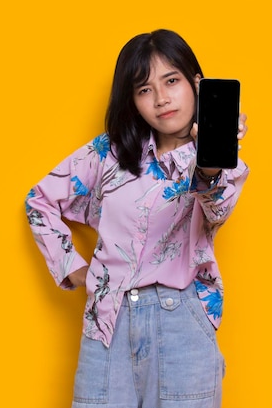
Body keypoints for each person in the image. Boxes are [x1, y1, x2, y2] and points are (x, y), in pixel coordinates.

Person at [25, 29, 249, 408]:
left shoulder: (224, 165)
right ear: (132, 100)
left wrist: (208, 171)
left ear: (197, 83)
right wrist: (73, 267)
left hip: (180, 322)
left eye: (171, 81)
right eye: (144, 89)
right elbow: (40, 201)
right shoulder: (109, 154)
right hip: (107, 323)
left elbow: (217, 208)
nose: (161, 98)